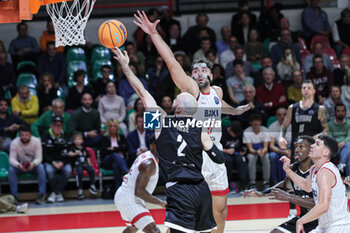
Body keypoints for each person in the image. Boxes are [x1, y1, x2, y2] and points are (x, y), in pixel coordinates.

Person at [133, 10, 250, 233]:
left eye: (203, 69)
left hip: (215, 154)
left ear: (211, 74)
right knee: (185, 215)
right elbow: (170, 61)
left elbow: (219, 106)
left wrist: (234, 111)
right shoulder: (191, 90)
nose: (199, 73)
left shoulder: (216, 90)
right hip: (196, 157)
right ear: (191, 77)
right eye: (194, 70)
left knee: (220, 211)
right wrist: (154, 34)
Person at [113, 44, 224, 233]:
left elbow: (143, 93)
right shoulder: (200, 128)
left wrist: (126, 68)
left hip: (180, 190)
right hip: (201, 189)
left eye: (175, 100)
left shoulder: (161, 123)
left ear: (178, 108)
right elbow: (219, 158)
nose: (172, 101)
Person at [243, 136, 318, 233]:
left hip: (324, 219)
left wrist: (289, 197)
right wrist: (261, 193)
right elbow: (284, 185)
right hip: (305, 219)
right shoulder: (293, 169)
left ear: (311, 150)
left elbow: (317, 203)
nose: (296, 150)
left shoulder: (319, 170)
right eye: (295, 147)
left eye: (301, 146)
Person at [281, 135, 350, 233]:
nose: (312, 146)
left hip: (339, 226)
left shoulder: (325, 173)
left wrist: (301, 221)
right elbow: (306, 186)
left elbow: (323, 206)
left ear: (325, 152)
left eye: (317, 144)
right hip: (323, 226)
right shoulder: (314, 169)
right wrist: (287, 169)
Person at [114, 135, 165, 233]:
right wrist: (161, 203)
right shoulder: (149, 164)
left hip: (126, 194)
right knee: (154, 230)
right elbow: (139, 191)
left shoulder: (148, 155)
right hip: (129, 198)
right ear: (152, 146)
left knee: (133, 228)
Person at [279, 80, 328, 154]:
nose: (306, 90)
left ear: (314, 91)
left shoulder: (320, 109)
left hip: (313, 147)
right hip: (297, 146)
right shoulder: (292, 108)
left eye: (309, 88)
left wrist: (317, 136)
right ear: (301, 90)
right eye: (304, 88)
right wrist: (281, 137)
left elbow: (326, 129)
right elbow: (284, 126)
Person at [8, 125, 46, 204]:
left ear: (30, 135)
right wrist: (18, 165)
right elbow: (11, 159)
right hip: (20, 166)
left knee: (41, 168)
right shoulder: (14, 143)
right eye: (22, 135)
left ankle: (42, 194)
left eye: (26, 135)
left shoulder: (36, 141)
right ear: (19, 135)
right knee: (11, 170)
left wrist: (33, 164)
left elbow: (39, 158)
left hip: (33, 165)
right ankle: (14, 196)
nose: (24, 137)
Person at [42, 116, 72, 203]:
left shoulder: (66, 136)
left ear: (62, 126)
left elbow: (70, 153)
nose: (57, 127)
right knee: (49, 171)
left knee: (68, 170)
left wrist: (63, 162)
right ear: (51, 126)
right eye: (55, 125)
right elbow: (44, 154)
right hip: (50, 162)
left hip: (63, 162)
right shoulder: (45, 137)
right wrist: (53, 162)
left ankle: (55, 193)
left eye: (60, 125)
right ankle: (58, 193)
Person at [243, 113, 270, 189]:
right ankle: (252, 182)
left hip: (262, 151)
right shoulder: (246, 132)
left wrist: (262, 151)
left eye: (257, 121)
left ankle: (266, 182)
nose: (256, 123)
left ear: (260, 122)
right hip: (253, 152)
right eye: (254, 121)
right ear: (250, 123)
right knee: (251, 158)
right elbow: (250, 149)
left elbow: (266, 148)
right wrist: (257, 152)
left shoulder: (265, 130)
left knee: (266, 157)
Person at [100, 119, 129, 189]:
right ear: (108, 128)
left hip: (119, 161)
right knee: (115, 155)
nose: (112, 128)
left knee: (115, 165)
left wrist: (113, 149)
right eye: (111, 126)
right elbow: (103, 151)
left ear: (117, 128)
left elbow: (126, 148)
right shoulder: (104, 138)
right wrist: (118, 150)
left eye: (114, 126)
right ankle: (126, 171)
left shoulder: (122, 137)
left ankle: (118, 189)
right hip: (107, 161)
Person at [68, 132, 97, 199]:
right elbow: (69, 153)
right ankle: (80, 189)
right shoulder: (72, 147)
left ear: (82, 141)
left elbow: (88, 157)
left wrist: (90, 165)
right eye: (76, 139)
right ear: (73, 141)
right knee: (80, 172)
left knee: (91, 170)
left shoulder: (83, 148)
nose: (78, 141)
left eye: (79, 139)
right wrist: (75, 154)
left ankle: (92, 185)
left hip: (84, 164)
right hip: (77, 165)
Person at [221, 121, 248, 192]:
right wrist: (226, 150)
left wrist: (243, 151)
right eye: (234, 134)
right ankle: (227, 186)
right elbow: (216, 147)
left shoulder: (240, 133)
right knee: (228, 161)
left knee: (241, 160)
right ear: (229, 130)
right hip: (225, 153)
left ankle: (243, 186)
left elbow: (244, 146)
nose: (236, 136)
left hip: (237, 153)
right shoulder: (222, 133)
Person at [268, 107, 291, 184]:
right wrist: (283, 152)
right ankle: (275, 181)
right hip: (278, 149)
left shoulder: (293, 126)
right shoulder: (272, 127)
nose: (282, 117)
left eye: (284, 114)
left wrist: (290, 151)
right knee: (272, 156)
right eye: (279, 115)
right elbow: (271, 146)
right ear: (276, 116)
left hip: (291, 149)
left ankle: (290, 182)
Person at [328, 103, 350, 175]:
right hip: (334, 149)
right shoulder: (330, 124)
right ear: (335, 112)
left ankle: (342, 163)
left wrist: (343, 142)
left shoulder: (349, 123)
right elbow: (329, 136)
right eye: (338, 111)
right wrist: (337, 143)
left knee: (348, 147)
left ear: (346, 112)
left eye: (342, 111)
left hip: (345, 148)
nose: (340, 113)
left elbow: (349, 136)